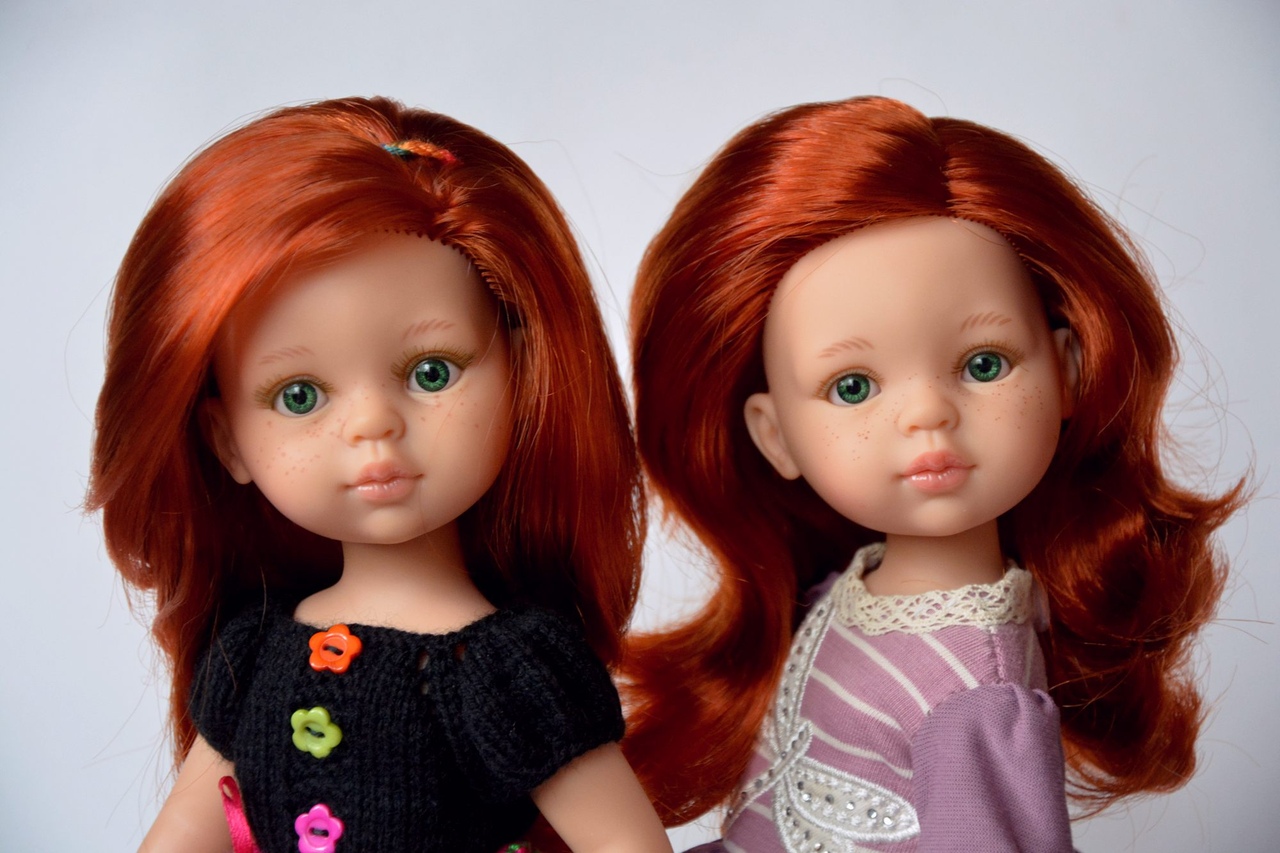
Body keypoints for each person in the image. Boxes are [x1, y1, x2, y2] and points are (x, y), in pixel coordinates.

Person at [622, 96, 1245, 851]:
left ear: (1069, 373)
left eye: (983, 364)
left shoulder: (978, 688)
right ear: (775, 436)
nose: (927, 415)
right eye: (853, 386)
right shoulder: (846, 584)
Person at [88, 96, 671, 853]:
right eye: (299, 396)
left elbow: (628, 844)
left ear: (524, 380)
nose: (373, 425)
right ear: (227, 441)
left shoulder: (507, 677)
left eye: (432, 372)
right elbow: (179, 837)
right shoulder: (254, 655)